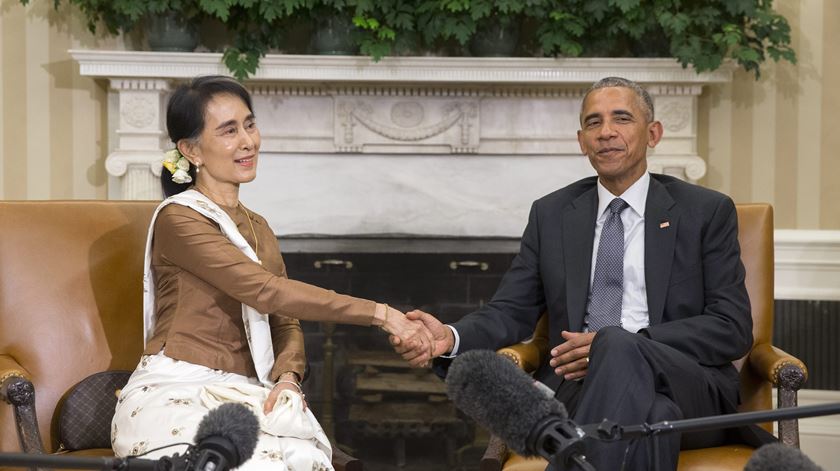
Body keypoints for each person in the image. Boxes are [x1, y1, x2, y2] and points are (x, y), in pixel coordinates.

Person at [393, 77, 775, 470]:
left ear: (653, 133)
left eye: (622, 118)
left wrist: (627, 345)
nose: (606, 132)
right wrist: (451, 336)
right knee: (653, 417)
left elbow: (731, 327)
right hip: (580, 387)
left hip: (689, 388)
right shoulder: (552, 215)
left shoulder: (704, 212)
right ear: (581, 141)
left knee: (616, 345)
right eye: (593, 123)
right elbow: (509, 311)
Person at [112, 75, 431, 471]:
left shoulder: (259, 226)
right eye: (229, 131)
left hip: (254, 392)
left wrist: (288, 378)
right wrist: (382, 313)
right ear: (191, 149)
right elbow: (267, 292)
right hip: (181, 388)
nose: (248, 141)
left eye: (250, 124)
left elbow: (285, 321)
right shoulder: (179, 219)